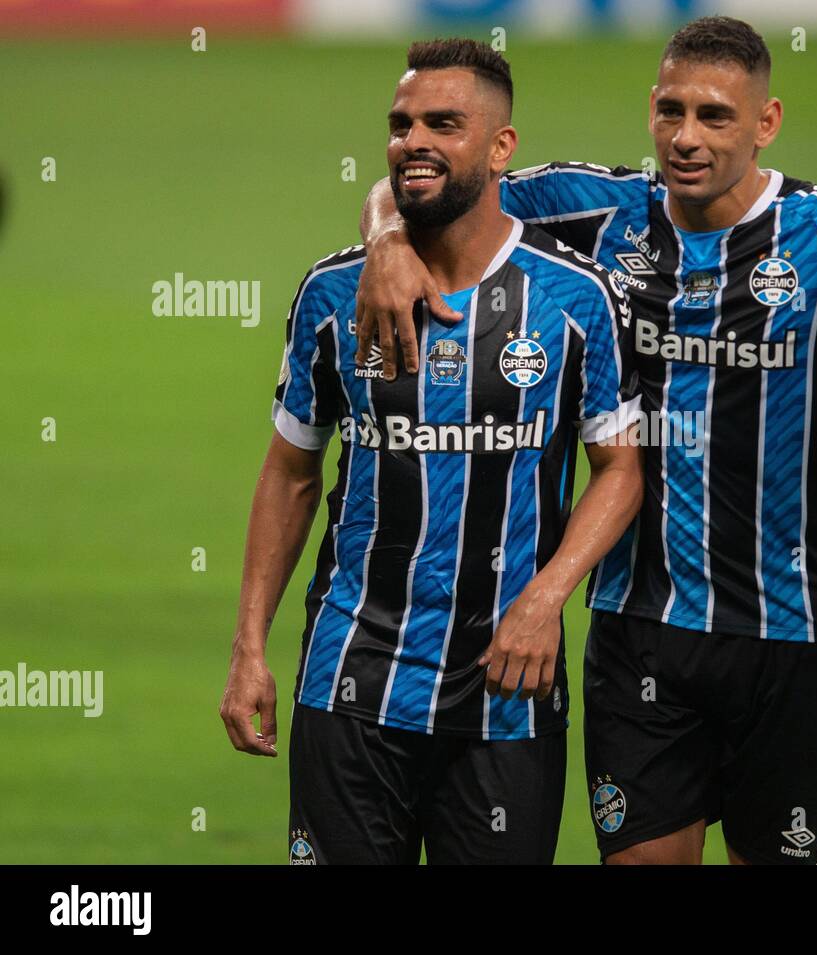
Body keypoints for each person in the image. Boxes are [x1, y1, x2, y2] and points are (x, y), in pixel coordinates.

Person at [355, 17, 817, 865]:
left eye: (715, 116)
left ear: (766, 122)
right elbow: (436, 181)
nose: (686, 137)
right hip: (642, 630)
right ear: (650, 110)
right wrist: (385, 237)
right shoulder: (597, 209)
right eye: (671, 111)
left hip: (797, 636)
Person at [218, 38, 642, 865]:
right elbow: (291, 473)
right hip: (351, 678)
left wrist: (548, 595)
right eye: (401, 123)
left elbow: (621, 469)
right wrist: (248, 648)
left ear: (500, 147)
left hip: (507, 690)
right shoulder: (333, 293)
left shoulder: (575, 296)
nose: (414, 141)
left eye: (444, 124)